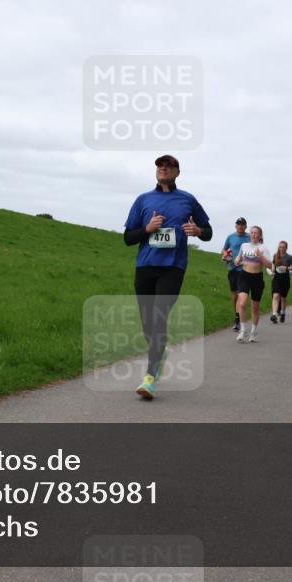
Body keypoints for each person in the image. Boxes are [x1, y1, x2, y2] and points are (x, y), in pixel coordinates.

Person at [124, 155, 212, 400]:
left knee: (159, 316)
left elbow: (208, 232)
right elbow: (128, 238)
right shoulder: (143, 200)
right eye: (159, 165)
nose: (162, 168)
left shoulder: (187, 199)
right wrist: (147, 229)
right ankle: (158, 354)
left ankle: (149, 378)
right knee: (147, 322)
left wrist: (197, 231)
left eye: (168, 165)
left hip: (173, 267)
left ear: (177, 172)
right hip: (145, 267)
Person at [233, 226, 272, 343]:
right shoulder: (244, 246)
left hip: (257, 279)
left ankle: (253, 332)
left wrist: (260, 255)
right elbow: (238, 259)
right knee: (242, 303)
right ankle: (243, 330)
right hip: (244, 276)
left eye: (256, 233)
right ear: (250, 235)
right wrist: (234, 260)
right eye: (252, 233)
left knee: (255, 308)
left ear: (260, 236)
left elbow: (269, 265)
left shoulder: (263, 248)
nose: (254, 235)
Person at [221, 217, 251, 331]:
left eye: (243, 224)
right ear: (235, 225)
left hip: (244, 269)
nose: (240, 226)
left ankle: (238, 319)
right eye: (238, 224)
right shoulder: (230, 237)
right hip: (232, 268)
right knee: (234, 295)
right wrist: (226, 255)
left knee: (240, 294)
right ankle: (237, 314)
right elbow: (224, 249)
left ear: (245, 226)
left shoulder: (249, 237)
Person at [269, 240, 292, 323]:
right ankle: (274, 314)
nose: (281, 249)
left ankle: (283, 313)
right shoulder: (275, 255)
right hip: (277, 278)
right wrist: (273, 270)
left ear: (286, 248)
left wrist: (287, 268)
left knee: (283, 298)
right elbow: (273, 264)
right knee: (275, 296)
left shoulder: (289, 257)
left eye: (283, 247)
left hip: (285, 279)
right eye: (280, 247)